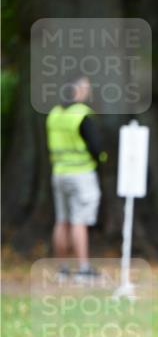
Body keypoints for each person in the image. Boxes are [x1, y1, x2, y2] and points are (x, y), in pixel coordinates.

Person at [46, 75, 106, 279]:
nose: (87, 92)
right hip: (81, 173)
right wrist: (102, 160)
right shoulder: (81, 114)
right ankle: (83, 269)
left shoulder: (54, 114)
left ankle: (62, 269)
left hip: (59, 173)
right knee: (79, 221)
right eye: (85, 88)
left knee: (62, 220)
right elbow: (96, 147)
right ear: (77, 90)